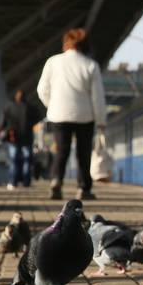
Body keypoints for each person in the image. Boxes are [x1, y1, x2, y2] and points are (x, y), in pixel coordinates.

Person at [37, 28, 106, 201]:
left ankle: (56, 181)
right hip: (85, 116)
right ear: (84, 45)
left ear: (65, 43)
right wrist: (101, 121)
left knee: (62, 150)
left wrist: (51, 105)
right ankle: (84, 188)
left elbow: (42, 89)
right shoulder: (90, 65)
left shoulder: (53, 62)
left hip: (59, 115)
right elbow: (97, 97)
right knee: (83, 153)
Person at [0, 89, 37, 189]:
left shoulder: (9, 107)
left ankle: (13, 181)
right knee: (27, 160)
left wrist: (3, 129)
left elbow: (4, 122)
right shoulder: (29, 107)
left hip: (14, 137)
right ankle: (26, 182)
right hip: (26, 137)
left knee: (13, 160)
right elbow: (37, 117)